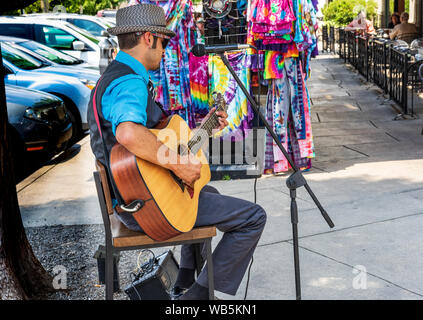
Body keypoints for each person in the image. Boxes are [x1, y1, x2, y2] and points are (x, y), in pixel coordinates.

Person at [87, 4, 267, 300]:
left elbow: (161, 141)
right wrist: (178, 165)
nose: (164, 49)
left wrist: (207, 127)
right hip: (144, 206)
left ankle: (184, 279)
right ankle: (195, 298)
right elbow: (129, 133)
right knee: (254, 217)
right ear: (148, 38)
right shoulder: (128, 82)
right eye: (164, 42)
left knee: (206, 192)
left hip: (135, 197)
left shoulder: (114, 77)